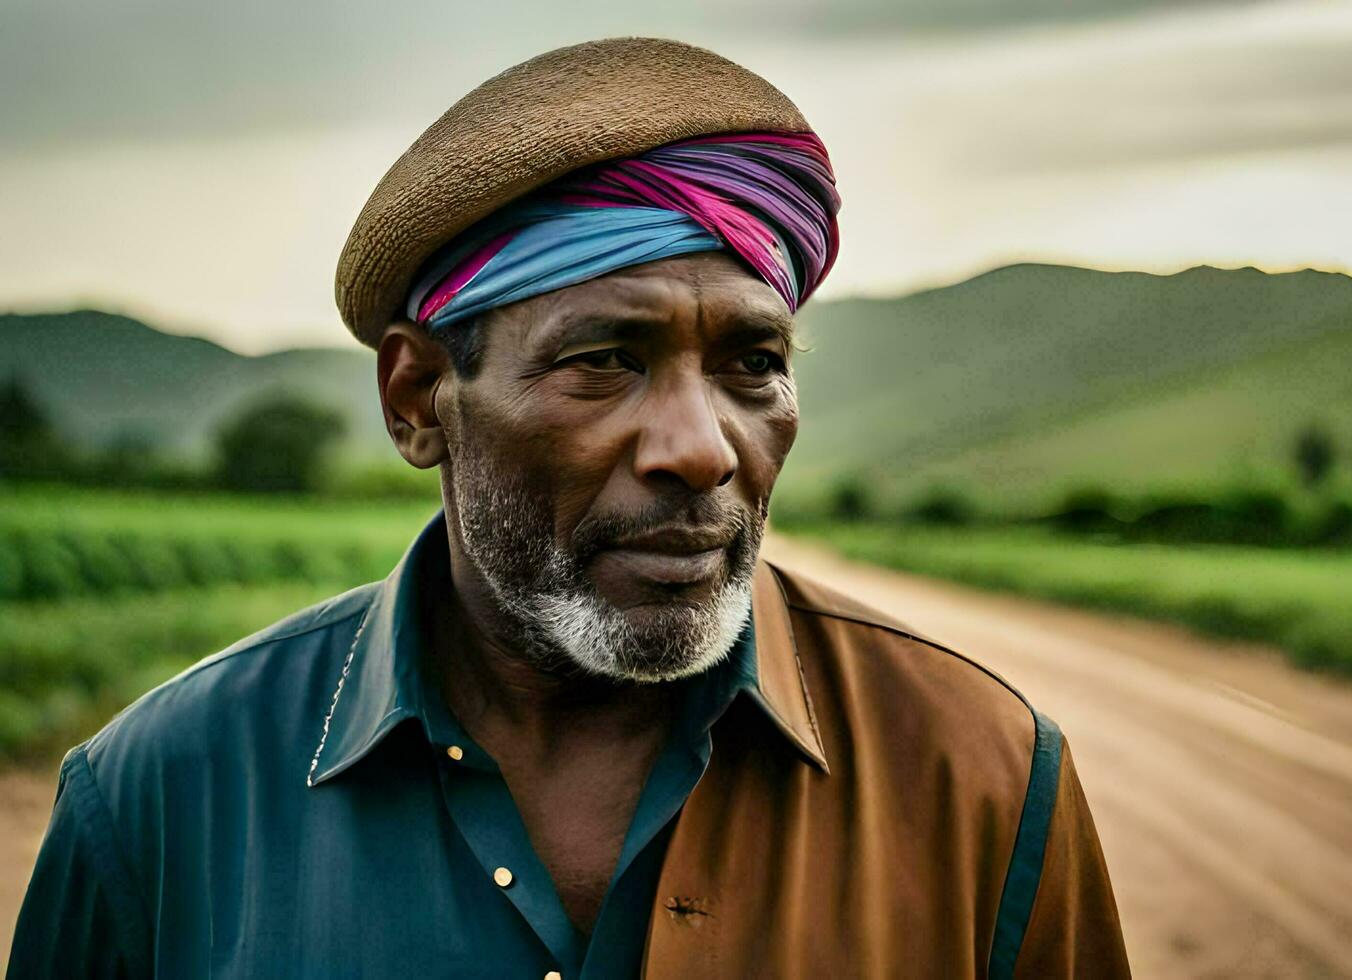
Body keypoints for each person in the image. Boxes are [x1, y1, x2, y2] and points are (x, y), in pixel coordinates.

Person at [8, 36, 1129, 979]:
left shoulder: (979, 773)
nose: (700, 449)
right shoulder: (161, 797)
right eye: (604, 359)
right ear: (417, 401)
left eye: (752, 362)